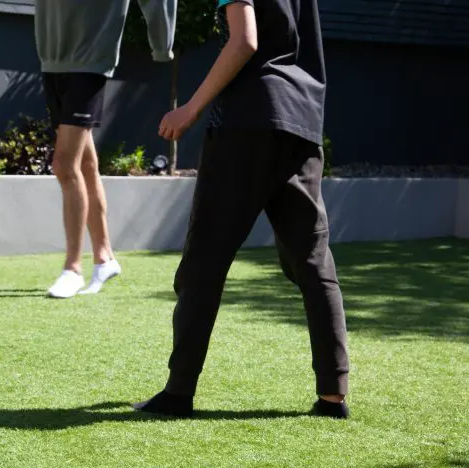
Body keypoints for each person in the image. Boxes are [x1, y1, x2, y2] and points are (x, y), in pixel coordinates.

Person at [134, 0, 351, 418]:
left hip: (245, 125)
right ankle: (333, 395)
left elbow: (244, 40)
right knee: (314, 264)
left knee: (205, 260)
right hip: (302, 122)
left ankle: (178, 393)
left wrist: (190, 109)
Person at [34, 0, 177, 298]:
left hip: (91, 59)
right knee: (85, 164)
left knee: (64, 164)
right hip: (52, 56)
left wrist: (162, 44)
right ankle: (104, 258)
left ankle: (72, 269)